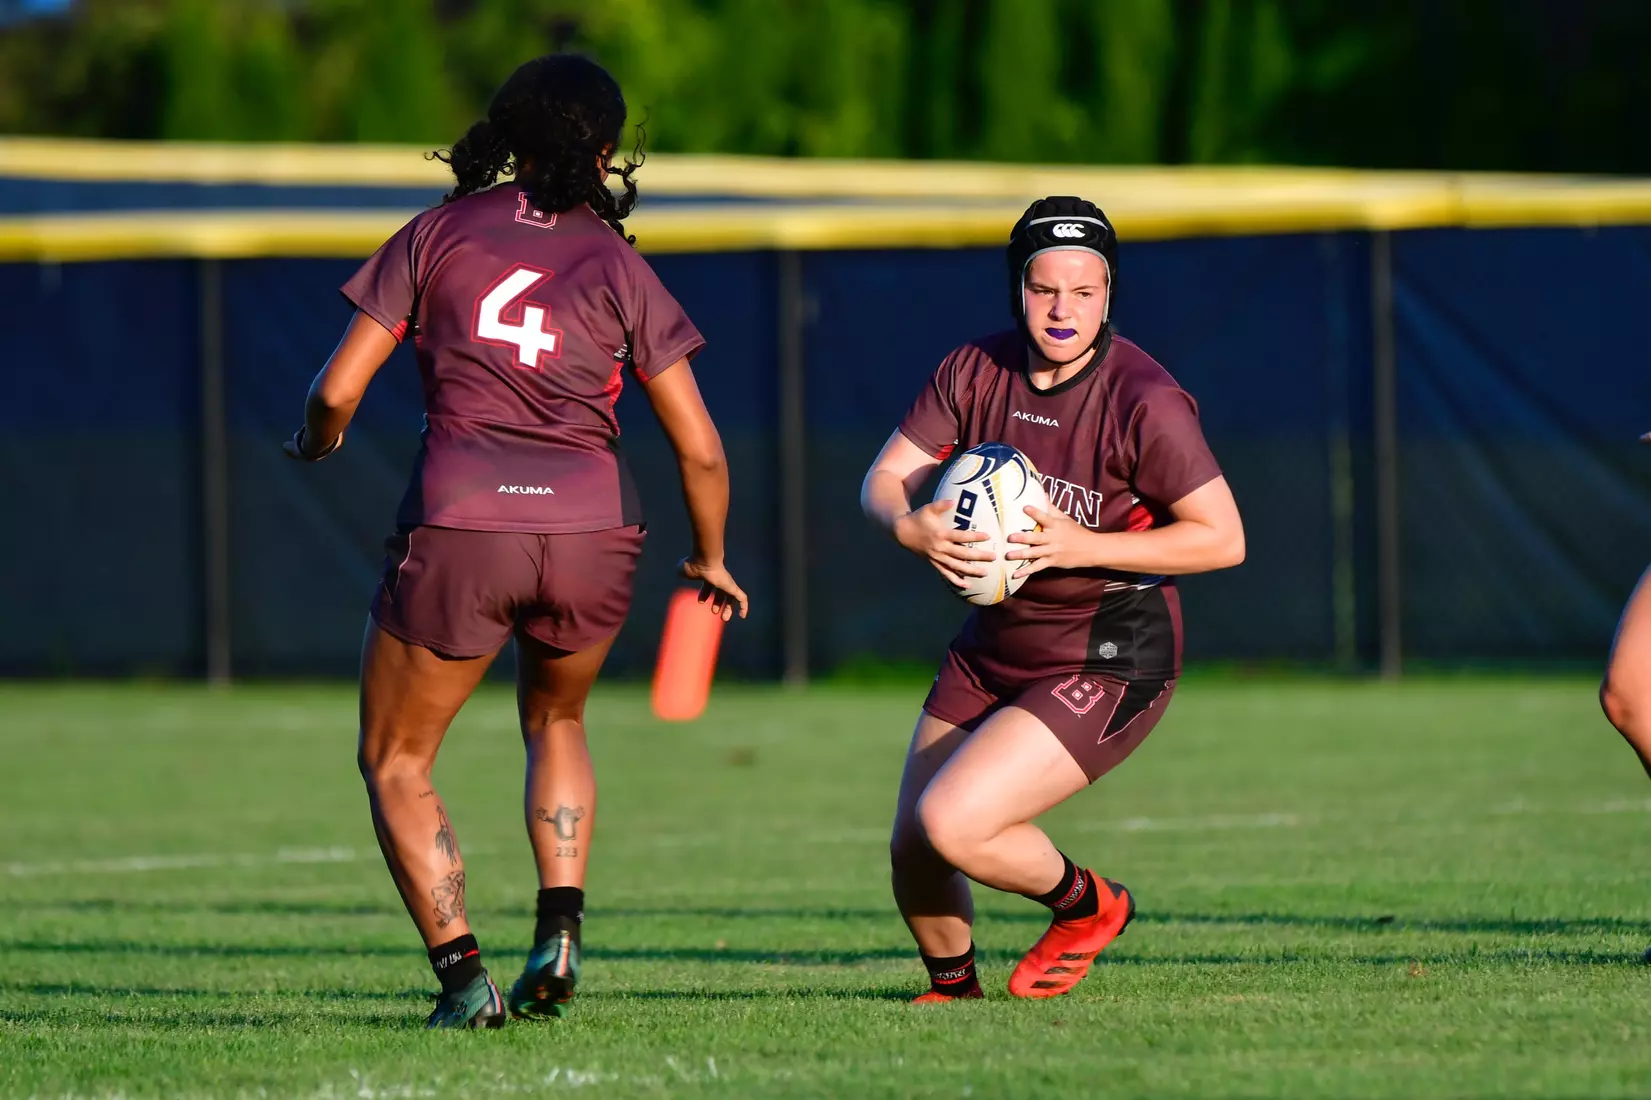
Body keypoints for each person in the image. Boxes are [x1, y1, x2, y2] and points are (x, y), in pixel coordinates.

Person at [283, 54, 747, 1029]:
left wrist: (315, 443)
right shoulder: (620, 262)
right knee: (559, 723)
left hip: (461, 526)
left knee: (398, 758)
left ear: (504, 133)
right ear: (608, 152)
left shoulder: (439, 232)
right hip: (592, 526)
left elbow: (335, 391)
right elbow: (699, 449)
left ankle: (463, 979)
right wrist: (708, 558)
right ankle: (561, 927)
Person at [860, 196, 1245, 1002]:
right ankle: (952, 993)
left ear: (1108, 295)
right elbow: (883, 478)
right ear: (1017, 289)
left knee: (954, 822)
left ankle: (1090, 907)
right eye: (1044, 289)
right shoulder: (973, 368)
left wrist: (1083, 547)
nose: (1062, 309)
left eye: (1083, 290)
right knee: (911, 845)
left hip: (1110, 653)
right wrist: (907, 526)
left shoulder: (1145, 398)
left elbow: (1221, 538)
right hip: (995, 643)